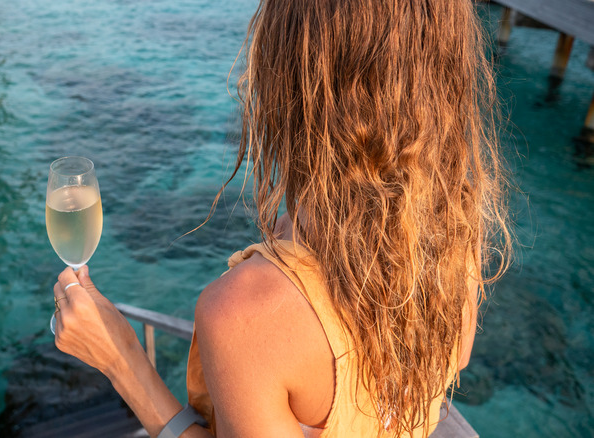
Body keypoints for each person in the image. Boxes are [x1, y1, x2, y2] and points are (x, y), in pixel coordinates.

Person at [51, 0, 511, 436]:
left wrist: (121, 360)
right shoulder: (456, 233)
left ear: (286, 87)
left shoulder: (245, 313)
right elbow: (455, 356)